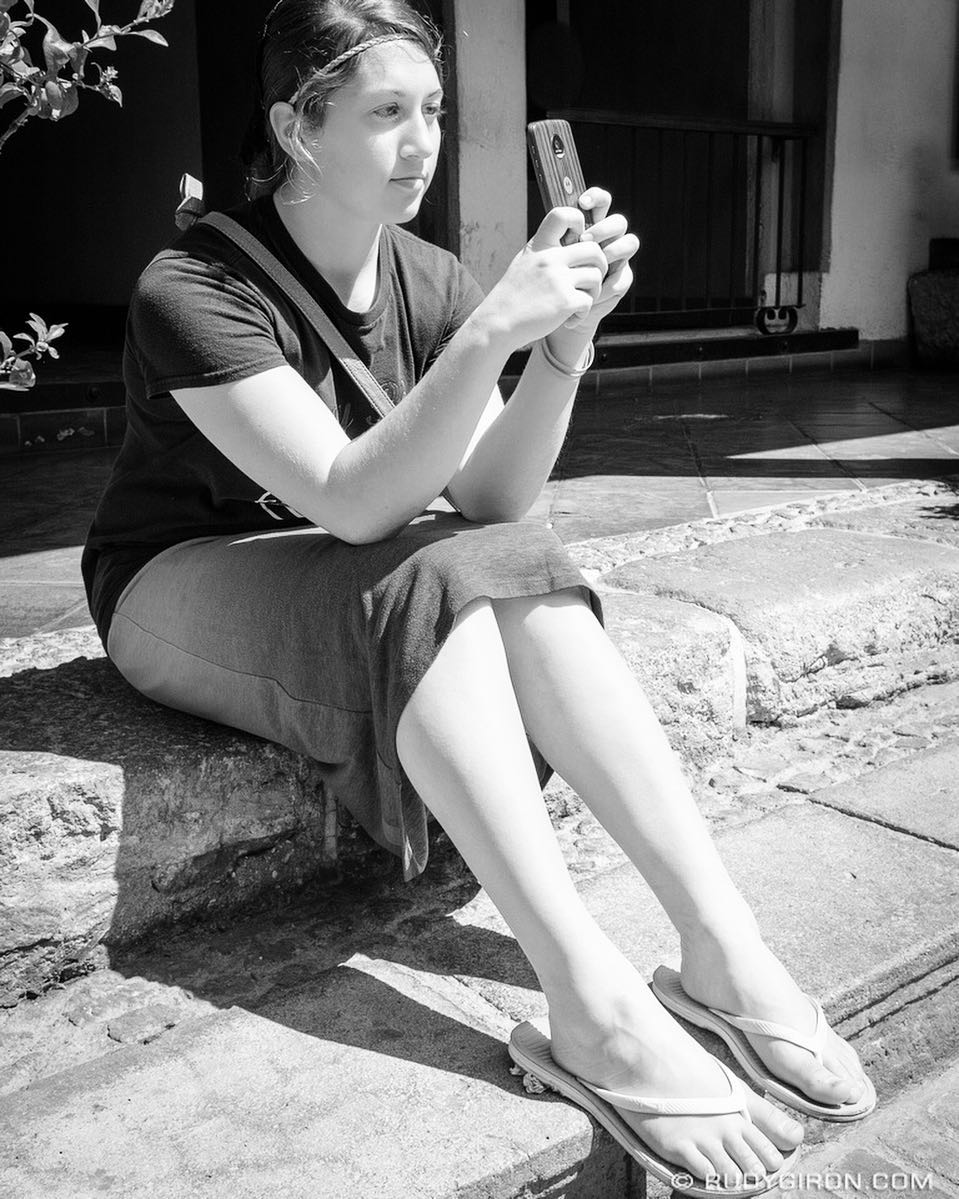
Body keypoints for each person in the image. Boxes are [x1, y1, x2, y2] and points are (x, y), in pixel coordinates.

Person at [81, 0, 874, 1191]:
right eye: (385, 113)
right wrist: (487, 331)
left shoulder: (430, 275)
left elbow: (496, 498)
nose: (422, 142)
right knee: (430, 565)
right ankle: (589, 1003)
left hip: (360, 572)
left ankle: (722, 947)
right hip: (178, 582)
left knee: (510, 555)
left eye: (433, 110)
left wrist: (559, 346)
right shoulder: (192, 284)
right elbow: (350, 501)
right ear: (297, 127)